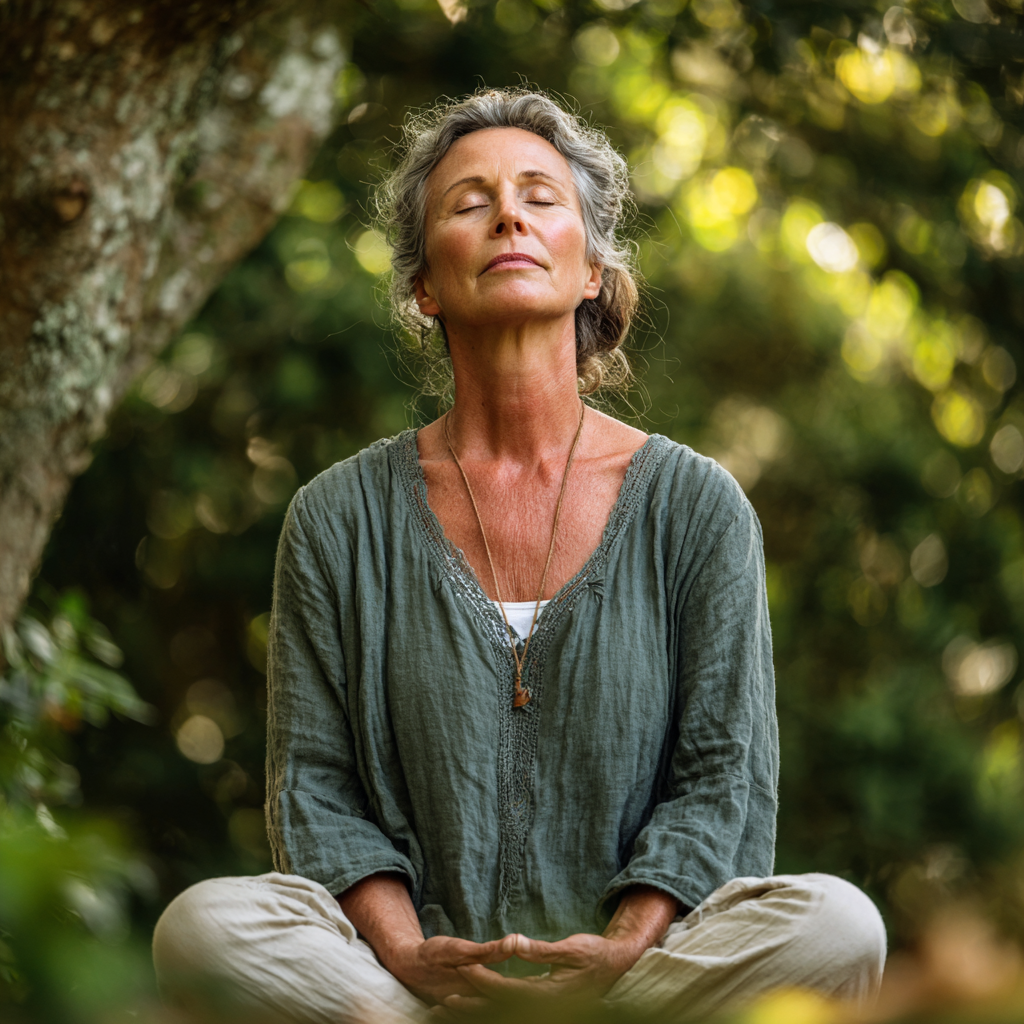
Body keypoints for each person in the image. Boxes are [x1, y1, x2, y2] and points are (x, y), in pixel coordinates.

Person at [152, 88, 886, 1024]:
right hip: (405, 985)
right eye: (469, 202)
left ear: (590, 271)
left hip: (634, 980)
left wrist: (619, 955)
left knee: (840, 926)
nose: (508, 214)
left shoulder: (698, 508)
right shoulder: (336, 520)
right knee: (201, 928)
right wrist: (413, 958)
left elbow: (722, 780)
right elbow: (318, 793)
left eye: (541, 197)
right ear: (424, 286)